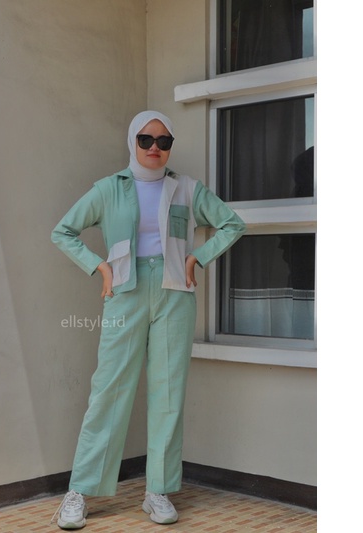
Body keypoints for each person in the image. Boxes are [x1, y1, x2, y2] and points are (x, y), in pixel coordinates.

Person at [51, 110, 246, 529]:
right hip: (125, 291)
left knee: (168, 392)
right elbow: (63, 231)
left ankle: (157, 490)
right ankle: (80, 490)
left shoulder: (187, 189)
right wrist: (100, 268)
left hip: (175, 294)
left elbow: (232, 224)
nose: (154, 148)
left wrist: (197, 257)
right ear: (132, 142)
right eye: (145, 140)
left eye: (163, 141)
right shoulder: (109, 189)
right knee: (109, 390)